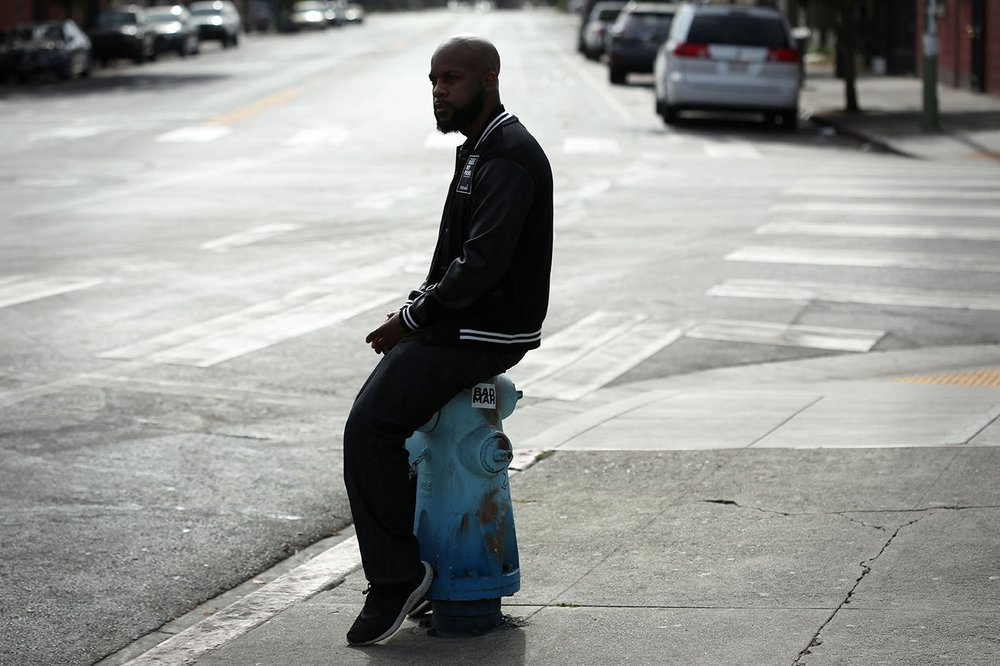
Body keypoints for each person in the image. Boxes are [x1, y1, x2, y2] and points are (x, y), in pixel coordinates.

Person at [342, 34, 553, 646]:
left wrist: (412, 321)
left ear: (488, 82)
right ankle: (420, 566)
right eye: (433, 80)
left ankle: (397, 577)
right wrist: (416, 307)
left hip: (484, 331)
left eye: (451, 79)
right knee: (395, 432)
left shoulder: (508, 154)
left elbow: (482, 265)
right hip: (459, 322)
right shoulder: (479, 150)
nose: (438, 91)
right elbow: (452, 262)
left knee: (370, 427)